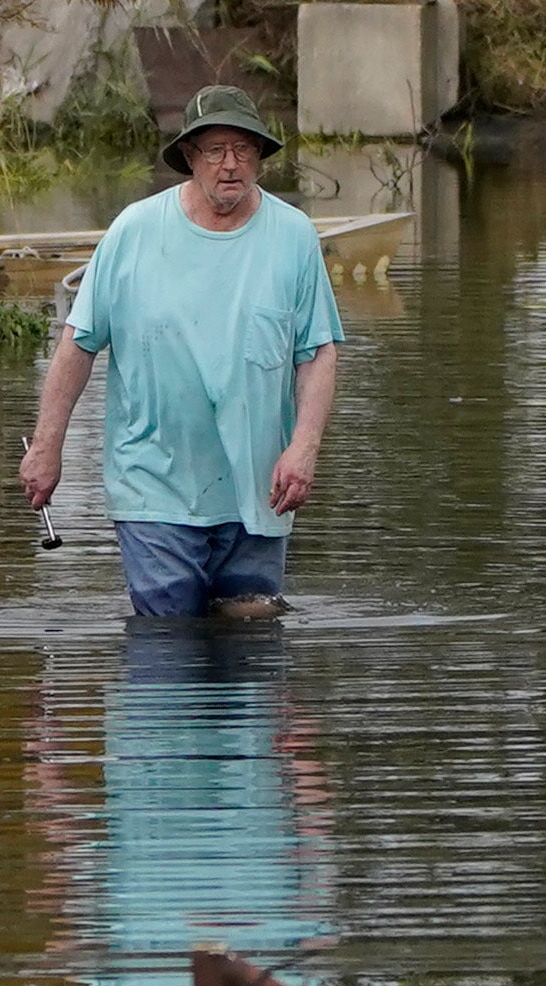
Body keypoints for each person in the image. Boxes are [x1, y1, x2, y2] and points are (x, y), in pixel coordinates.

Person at [20, 83, 345, 620]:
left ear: (261, 157)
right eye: (215, 150)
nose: (230, 165)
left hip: (259, 487)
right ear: (190, 157)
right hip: (154, 485)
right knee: (170, 639)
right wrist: (47, 447)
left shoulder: (293, 237)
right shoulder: (135, 232)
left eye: (244, 149)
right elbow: (79, 343)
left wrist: (304, 448)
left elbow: (317, 353)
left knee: (251, 638)